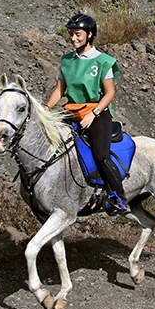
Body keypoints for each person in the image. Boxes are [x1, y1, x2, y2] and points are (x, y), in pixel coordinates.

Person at [45, 13, 128, 215]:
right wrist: (46, 109)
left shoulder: (103, 62)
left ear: (90, 35)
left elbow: (110, 93)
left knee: (101, 154)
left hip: (97, 113)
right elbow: (59, 90)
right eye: (71, 34)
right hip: (72, 111)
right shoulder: (67, 61)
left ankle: (117, 197)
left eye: (78, 34)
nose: (73, 38)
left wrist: (94, 113)